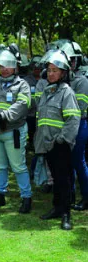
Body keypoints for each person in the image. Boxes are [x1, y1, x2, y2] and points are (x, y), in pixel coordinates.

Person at [0, 48, 32, 213]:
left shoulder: (22, 85)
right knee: (0, 165)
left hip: (13, 131)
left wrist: (3, 116)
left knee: (18, 166)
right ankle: (0, 195)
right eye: (1, 66)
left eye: (8, 66)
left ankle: (26, 197)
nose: (4, 69)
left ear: (15, 67)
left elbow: (22, 105)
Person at [35, 50, 80, 230]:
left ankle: (66, 215)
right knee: (55, 178)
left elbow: (73, 118)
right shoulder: (46, 91)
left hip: (60, 144)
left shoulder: (66, 92)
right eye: (49, 70)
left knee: (64, 179)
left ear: (63, 73)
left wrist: (62, 139)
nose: (51, 73)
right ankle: (57, 208)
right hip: (47, 143)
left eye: (55, 70)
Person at [60, 41, 88, 211]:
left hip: (80, 125)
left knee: (78, 162)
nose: (69, 63)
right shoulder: (62, 81)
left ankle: (86, 197)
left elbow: (81, 108)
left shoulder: (81, 81)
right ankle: (69, 196)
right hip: (64, 125)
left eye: (71, 60)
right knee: (66, 162)